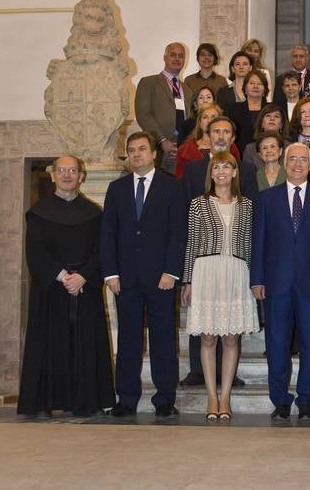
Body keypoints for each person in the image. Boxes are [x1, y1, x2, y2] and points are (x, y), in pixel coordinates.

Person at [17, 156, 115, 417]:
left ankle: (85, 402)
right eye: (62, 170)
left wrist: (82, 276)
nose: (67, 175)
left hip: (85, 287)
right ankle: (44, 402)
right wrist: (62, 276)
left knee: (85, 344)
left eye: (73, 170)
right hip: (51, 288)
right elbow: (35, 252)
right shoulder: (38, 213)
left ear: (81, 176)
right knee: (49, 344)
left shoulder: (93, 213)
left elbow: (101, 250)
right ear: (53, 175)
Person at [250, 143, 310, 420]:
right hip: (276, 282)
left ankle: (306, 400)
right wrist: (257, 279)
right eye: (293, 159)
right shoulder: (266, 199)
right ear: (284, 163)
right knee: (277, 343)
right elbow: (259, 242)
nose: (298, 164)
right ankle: (280, 400)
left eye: (304, 160)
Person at [101, 132, 187, 417]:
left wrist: (172, 271)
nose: (136, 154)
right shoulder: (116, 189)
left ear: (154, 154)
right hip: (124, 278)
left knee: (163, 338)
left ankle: (165, 398)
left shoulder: (172, 187)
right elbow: (108, 234)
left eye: (141, 149)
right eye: (131, 150)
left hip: (161, 277)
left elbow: (178, 233)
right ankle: (126, 398)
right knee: (128, 339)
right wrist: (110, 273)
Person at [180, 115, 257, 389]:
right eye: (217, 168)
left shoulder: (247, 193)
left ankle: (226, 388)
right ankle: (205, 384)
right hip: (205, 268)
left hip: (236, 268)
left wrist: (254, 276)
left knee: (230, 333)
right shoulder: (196, 190)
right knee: (207, 333)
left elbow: (249, 239)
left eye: (227, 167)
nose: (221, 172)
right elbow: (191, 240)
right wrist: (187, 279)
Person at [134, 42, 193, 174]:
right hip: (157, 149)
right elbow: (143, 114)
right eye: (173, 55)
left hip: (182, 151)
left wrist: (186, 145)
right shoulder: (148, 83)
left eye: (181, 56)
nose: (177, 59)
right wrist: (162, 140)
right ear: (165, 57)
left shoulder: (188, 90)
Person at [225, 69, 270, 153]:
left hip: (267, 153)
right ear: (245, 88)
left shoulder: (272, 109)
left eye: (259, 84)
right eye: (252, 83)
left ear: (265, 89)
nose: (255, 86)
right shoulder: (233, 109)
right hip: (240, 153)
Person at [175, 102, 222, 179]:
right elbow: (180, 181)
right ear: (199, 123)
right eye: (205, 117)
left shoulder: (230, 146)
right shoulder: (185, 150)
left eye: (213, 117)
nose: (209, 121)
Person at [242, 104, 289, 169]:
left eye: (276, 116)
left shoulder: (291, 148)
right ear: (261, 123)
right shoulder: (250, 150)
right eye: (268, 115)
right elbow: (247, 175)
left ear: (281, 124)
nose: (272, 119)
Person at [177, 85, 217, 150]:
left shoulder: (221, 122)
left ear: (214, 102)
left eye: (208, 97)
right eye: (201, 98)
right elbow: (181, 149)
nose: (205, 100)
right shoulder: (186, 125)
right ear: (195, 105)